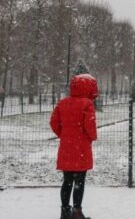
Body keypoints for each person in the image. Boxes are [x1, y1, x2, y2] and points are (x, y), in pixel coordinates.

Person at [50, 73, 98, 219]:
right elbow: (90, 126)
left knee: (67, 180)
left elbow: (53, 123)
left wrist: (64, 135)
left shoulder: (62, 103)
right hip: (81, 148)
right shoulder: (87, 104)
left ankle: (65, 211)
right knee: (80, 180)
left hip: (66, 147)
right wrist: (92, 137)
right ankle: (77, 211)